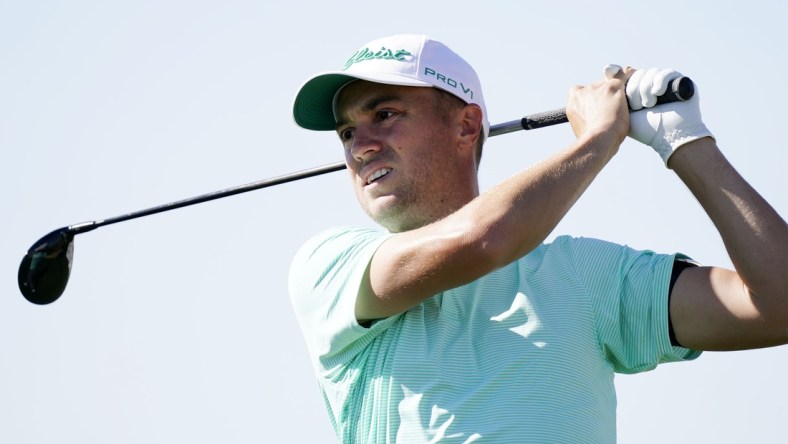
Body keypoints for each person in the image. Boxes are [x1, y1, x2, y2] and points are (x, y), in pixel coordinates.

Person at [288, 34, 787, 443]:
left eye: (385, 115)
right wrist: (597, 140)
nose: (361, 147)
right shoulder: (329, 265)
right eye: (347, 133)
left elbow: (777, 307)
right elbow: (485, 238)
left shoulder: (585, 276)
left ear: (467, 126)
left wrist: (685, 141)